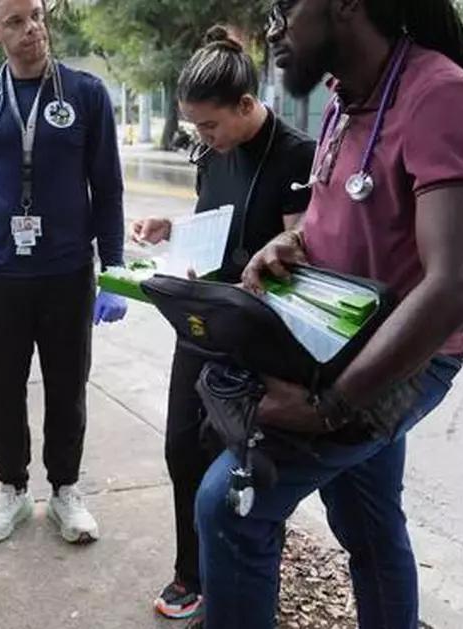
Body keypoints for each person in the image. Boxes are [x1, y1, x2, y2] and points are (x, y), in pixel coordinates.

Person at [190, 0, 463, 627]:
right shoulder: (344, 98)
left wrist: (331, 404)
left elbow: (460, 283)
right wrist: (292, 241)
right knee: (366, 520)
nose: (273, 31)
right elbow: (338, 213)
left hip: (396, 360)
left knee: (230, 504)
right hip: (334, 343)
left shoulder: (441, 96)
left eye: (285, 10)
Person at [129, 25, 316, 621]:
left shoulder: (295, 154)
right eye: (194, 128)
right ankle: (193, 574)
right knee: (181, 447)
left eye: (209, 125)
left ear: (246, 104)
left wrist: (255, 280)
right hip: (204, 319)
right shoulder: (213, 152)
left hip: (258, 337)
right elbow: (215, 227)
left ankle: (237, 579)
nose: (202, 138)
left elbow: (301, 254)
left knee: (239, 464)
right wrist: (171, 229)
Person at [0, 0, 128, 545]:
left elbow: (108, 188)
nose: (32, 30)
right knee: (3, 388)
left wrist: (112, 268)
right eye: (17, 21)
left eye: (38, 16)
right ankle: (14, 492)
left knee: (68, 388)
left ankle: (66, 490)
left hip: (67, 272)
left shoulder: (85, 94)